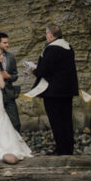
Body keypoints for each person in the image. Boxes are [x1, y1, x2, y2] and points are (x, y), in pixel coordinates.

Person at [28, 24, 79, 155]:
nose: (46, 37)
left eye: (46, 34)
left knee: (56, 121)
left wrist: (34, 69)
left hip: (53, 92)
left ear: (50, 35)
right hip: (67, 91)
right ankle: (69, 149)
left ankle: (61, 149)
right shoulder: (68, 47)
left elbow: (43, 71)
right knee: (67, 120)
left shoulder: (51, 49)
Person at [0, 46, 33, 162]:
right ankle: (6, 143)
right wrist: (1, 77)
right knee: (1, 118)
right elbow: (2, 85)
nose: (1, 57)